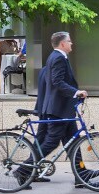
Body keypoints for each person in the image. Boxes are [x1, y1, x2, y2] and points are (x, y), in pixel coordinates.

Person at [26, 31, 85, 185]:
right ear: (63, 43)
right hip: (56, 110)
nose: (72, 43)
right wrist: (76, 92)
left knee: (73, 142)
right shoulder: (57, 58)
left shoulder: (54, 59)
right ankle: (25, 170)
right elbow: (55, 84)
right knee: (49, 142)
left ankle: (81, 175)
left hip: (59, 109)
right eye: (69, 41)